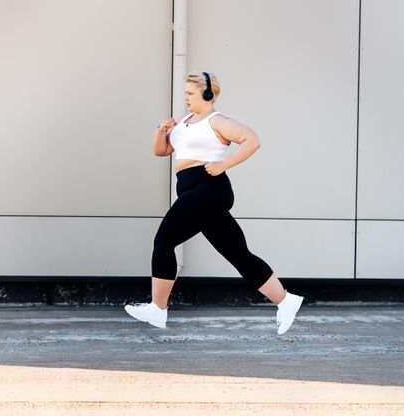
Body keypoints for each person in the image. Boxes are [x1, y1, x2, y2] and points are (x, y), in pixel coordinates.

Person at [124, 71, 303, 335]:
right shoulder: (184, 121)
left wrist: (224, 164)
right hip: (192, 191)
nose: (185, 97)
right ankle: (286, 301)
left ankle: (158, 309)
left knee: (164, 240)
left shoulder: (217, 121)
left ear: (207, 95)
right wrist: (161, 131)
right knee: (238, 254)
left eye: (190, 93)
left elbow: (252, 140)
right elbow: (160, 151)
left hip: (209, 188)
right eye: (185, 93)